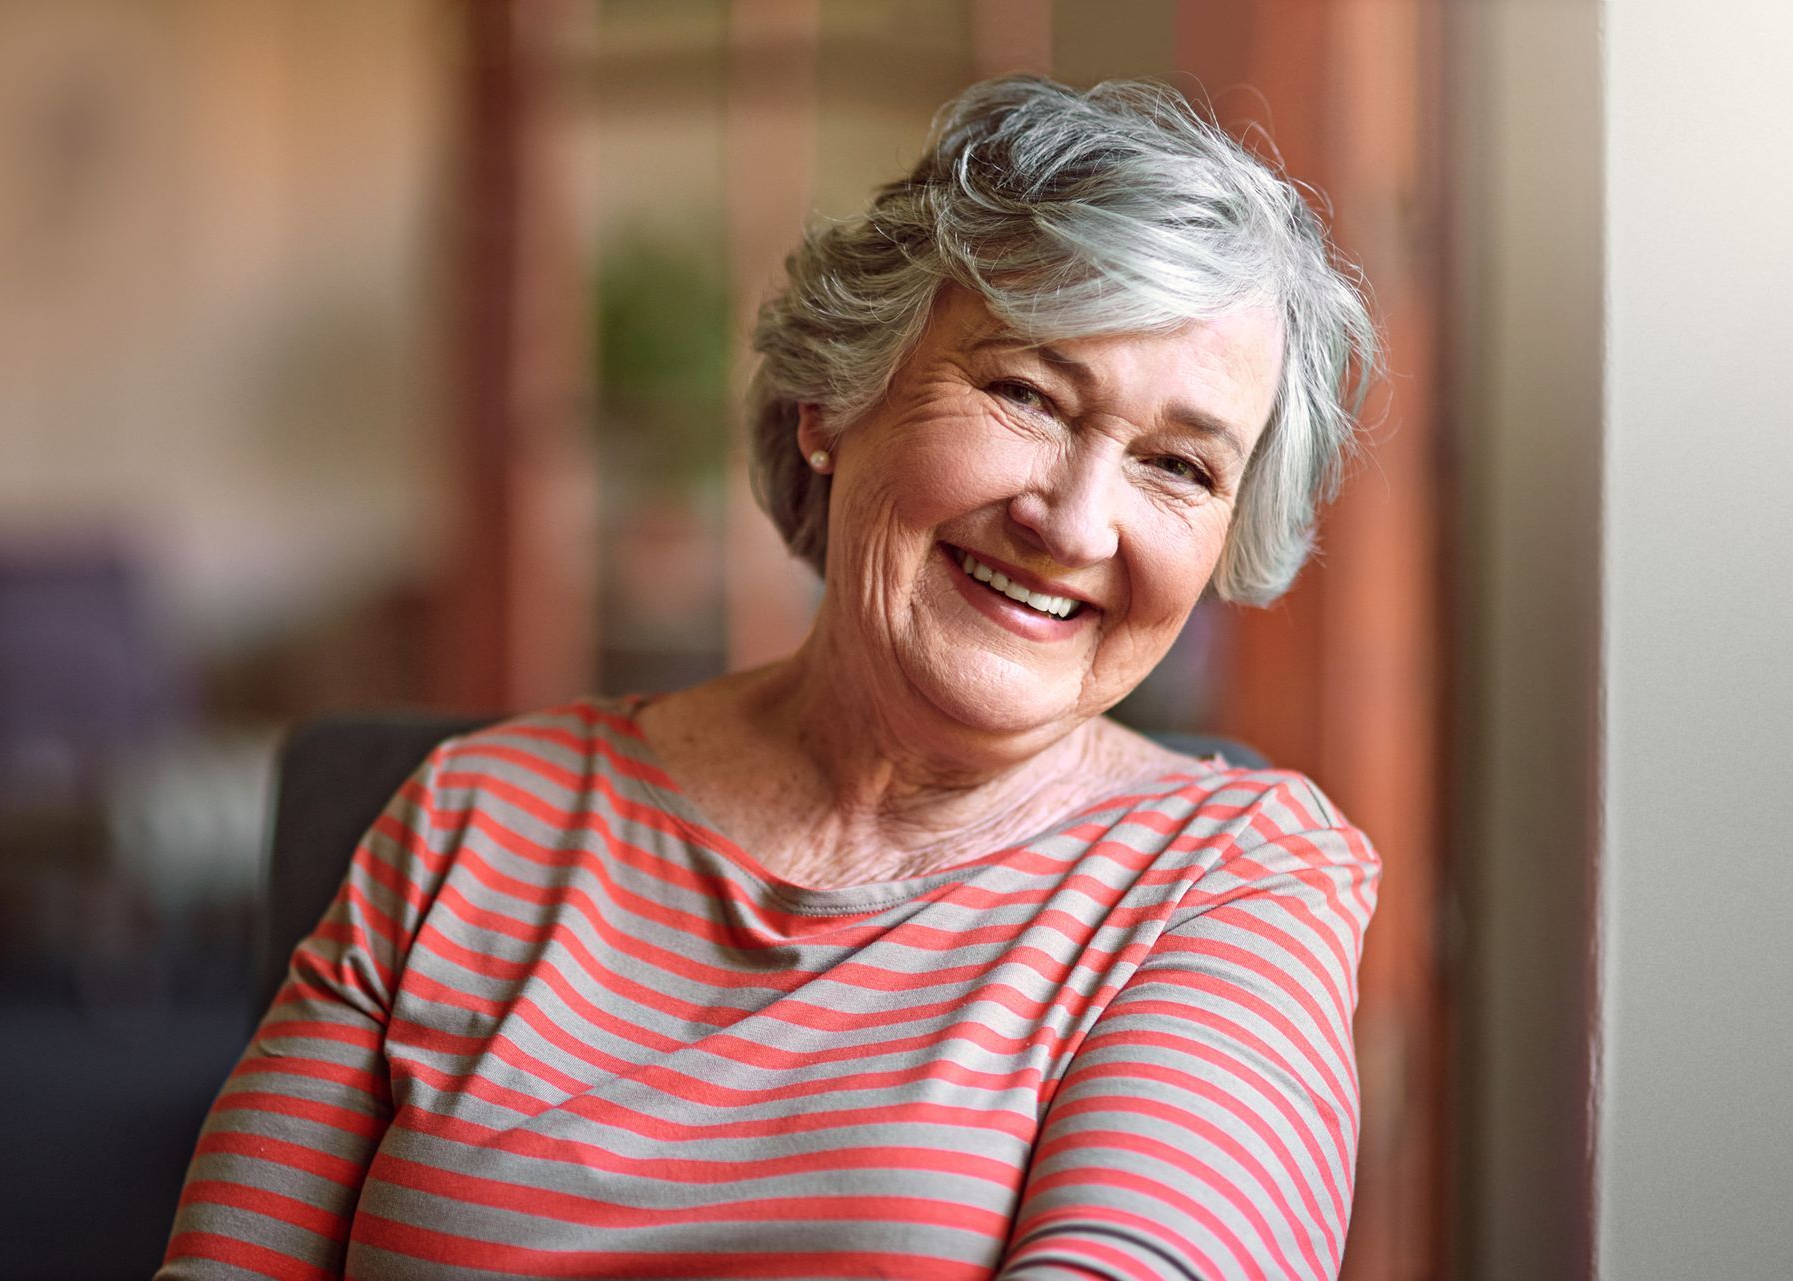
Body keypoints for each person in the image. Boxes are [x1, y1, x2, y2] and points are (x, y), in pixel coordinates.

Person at [159, 75, 1380, 1281]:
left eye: (1177, 467)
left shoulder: (1233, 882)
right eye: (1024, 393)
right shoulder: (469, 821)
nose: (1074, 524)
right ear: (831, 405)